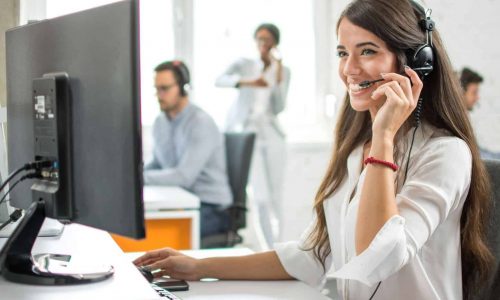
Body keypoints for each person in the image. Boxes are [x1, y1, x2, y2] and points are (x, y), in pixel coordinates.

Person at [135, 1, 493, 299]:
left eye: (367, 51)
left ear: (417, 63)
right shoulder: (356, 150)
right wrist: (200, 266)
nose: (349, 69)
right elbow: (314, 254)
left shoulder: (445, 154)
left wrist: (384, 134)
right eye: (342, 52)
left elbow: (379, 257)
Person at [215, 23, 291, 245]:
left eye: (267, 39)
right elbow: (219, 80)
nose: (262, 44)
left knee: (276, 195)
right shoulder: (244, 64)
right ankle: (268, 248)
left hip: (272, 134)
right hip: (248, 134)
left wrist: (277, 76)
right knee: (260, 197)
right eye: (259, 39)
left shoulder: (283, 70)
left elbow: (279, 107)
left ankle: (280, 247)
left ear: (275, 43)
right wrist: (248, 82)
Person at [143, 60, 232, 239]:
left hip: (211, 207)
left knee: (153, 234)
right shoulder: (160, 122)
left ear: (183, 87)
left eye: (165, 88)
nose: (159, 95)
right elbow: (159, 163)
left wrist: (138, 179)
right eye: (156, 89)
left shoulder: (200, 123)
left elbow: (184, 177)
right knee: (142, 224)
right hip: (182, 201)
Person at [459, 67, 500, 160]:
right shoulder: (457, 121)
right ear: (461, 92)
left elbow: (478, 151)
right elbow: (477, 156)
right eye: (474, 92)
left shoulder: (463, 118)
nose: (477, 98)